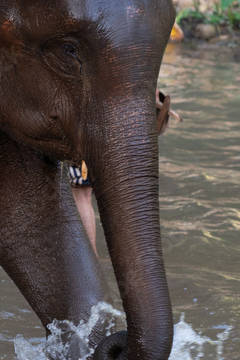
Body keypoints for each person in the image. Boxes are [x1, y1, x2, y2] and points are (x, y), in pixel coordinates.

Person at [71, 88, 181, 255]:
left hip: (94, 109)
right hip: (121, 114)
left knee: (83, 191)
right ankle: (121, 257)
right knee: (116, 189)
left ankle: (92, 258)